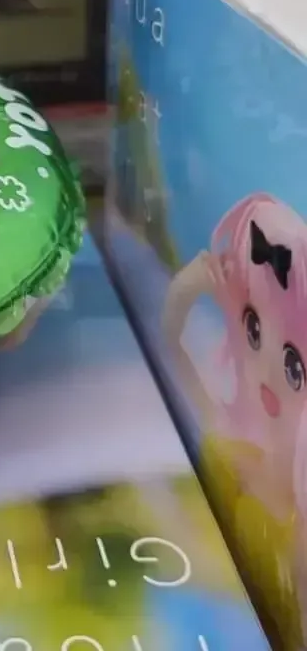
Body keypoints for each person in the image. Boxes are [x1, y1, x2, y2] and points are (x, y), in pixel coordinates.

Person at [163, 193, 307, 648]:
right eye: (253, 329)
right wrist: (185, 292)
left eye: (295, 367)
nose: (267, 373)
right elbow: (172, 354)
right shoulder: (232, 436)